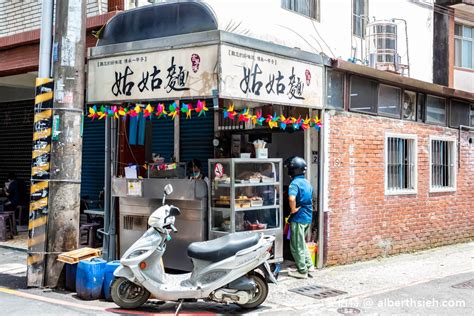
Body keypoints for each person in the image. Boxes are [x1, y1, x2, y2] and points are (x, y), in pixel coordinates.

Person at [285, 156, 314, 279]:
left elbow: (291, 198)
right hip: (307, 216)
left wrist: (292, 209)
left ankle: (302, 271)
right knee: (302, 243)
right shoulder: (307, 182)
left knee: (296, 245)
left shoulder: (294, 183)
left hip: (298, 218)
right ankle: (309, 265)